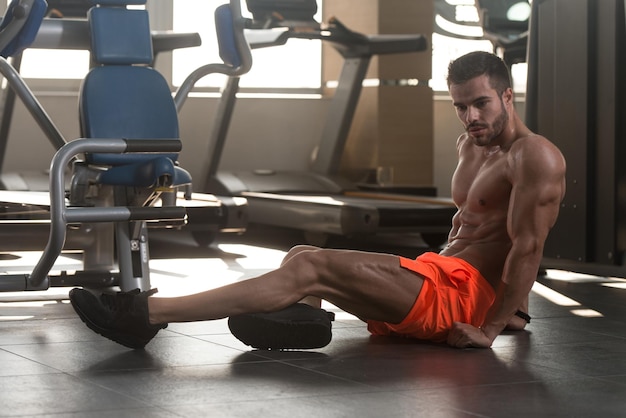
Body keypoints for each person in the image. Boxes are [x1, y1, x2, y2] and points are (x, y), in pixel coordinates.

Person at [69, 51, 566, 350]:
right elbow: (478, 228)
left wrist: (493, 326)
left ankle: (143, 316)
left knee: (310, 268)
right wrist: (513, 308)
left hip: (459, 300)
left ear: (507, 96)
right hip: (441, 279)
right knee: (301, 257)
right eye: (461, 106)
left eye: (480, 103)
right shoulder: (471, 144)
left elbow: (526, 247)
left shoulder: (535, 156)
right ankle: (306, 317)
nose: (470, 116)